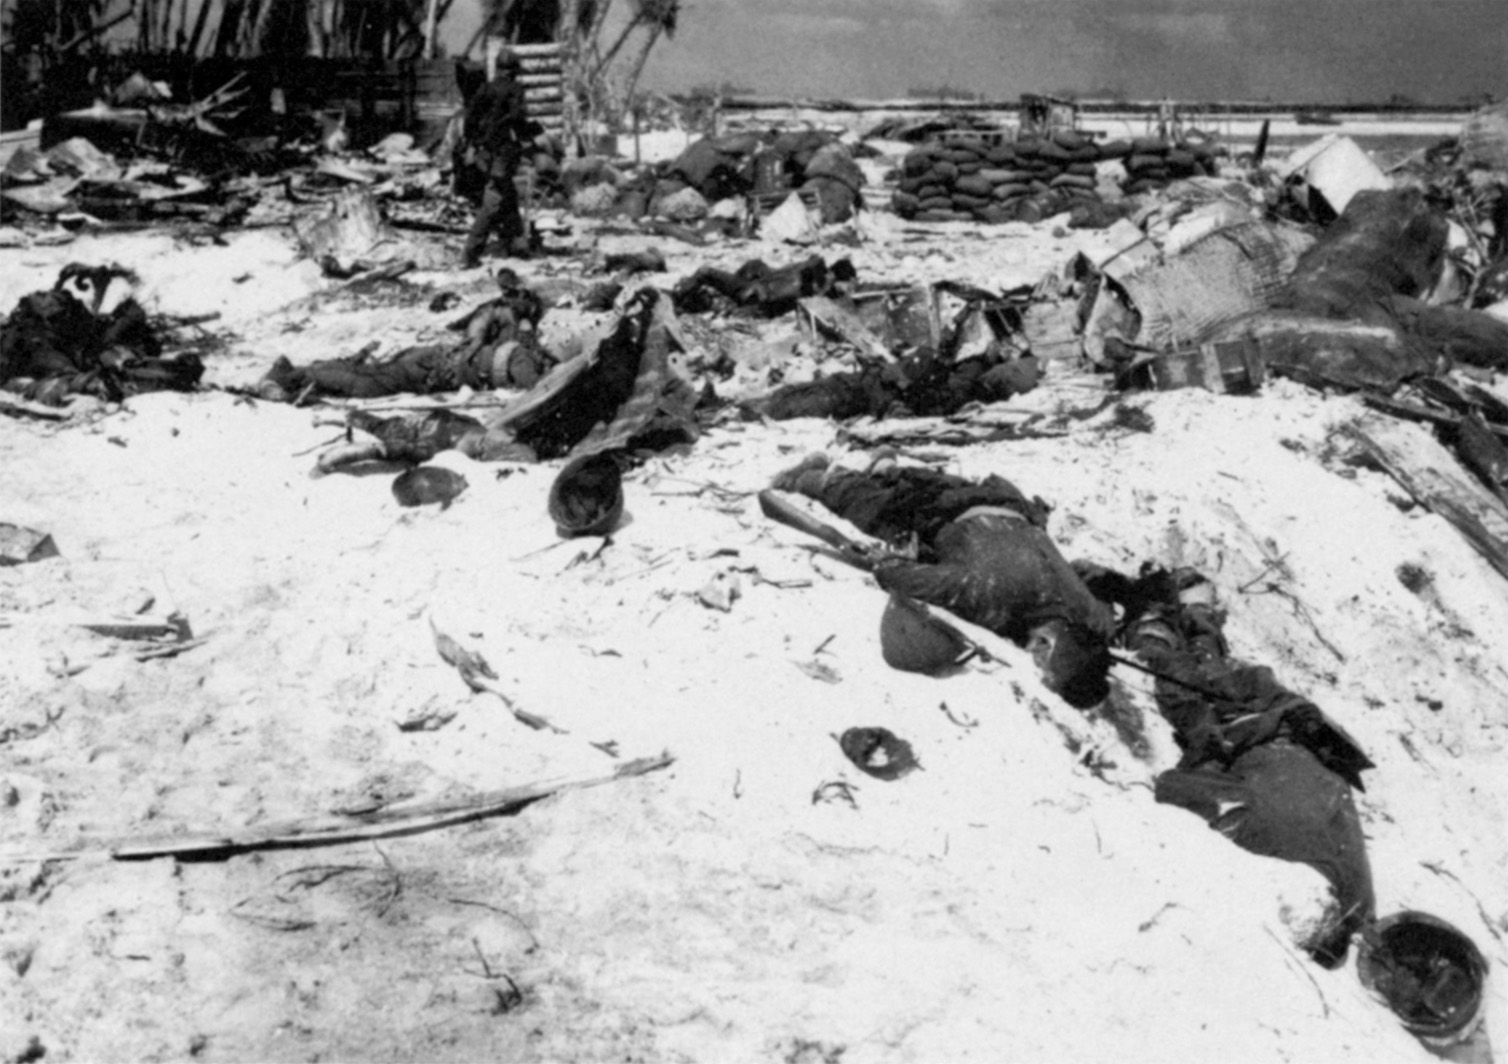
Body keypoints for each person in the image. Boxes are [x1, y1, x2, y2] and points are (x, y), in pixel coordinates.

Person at [460, 49, 533, 268]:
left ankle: (517, 244)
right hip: (503, 151)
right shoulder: (515, 90)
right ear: (513, 72)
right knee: (494, 199)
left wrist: (475, 142)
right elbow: (518, 119)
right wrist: (531, 138)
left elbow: (469, 120)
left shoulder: (485, 89)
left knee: (507, 193)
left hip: (485, 151)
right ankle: (470, 253)